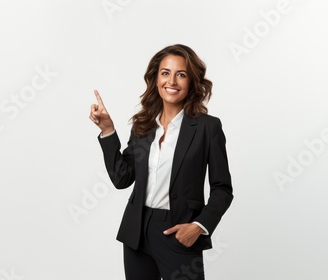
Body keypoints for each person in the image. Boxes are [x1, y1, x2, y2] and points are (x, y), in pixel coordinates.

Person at [89, 44, 233, 280]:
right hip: (136, 231)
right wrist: (107, 130)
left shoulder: (208, 128)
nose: (172, 81)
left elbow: (222, 189)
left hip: (178, 231)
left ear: (192, 82)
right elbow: (122, 178)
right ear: (155, 79)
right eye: (165, 73)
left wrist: (199, 226)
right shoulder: (143, 126)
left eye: (181, 74)